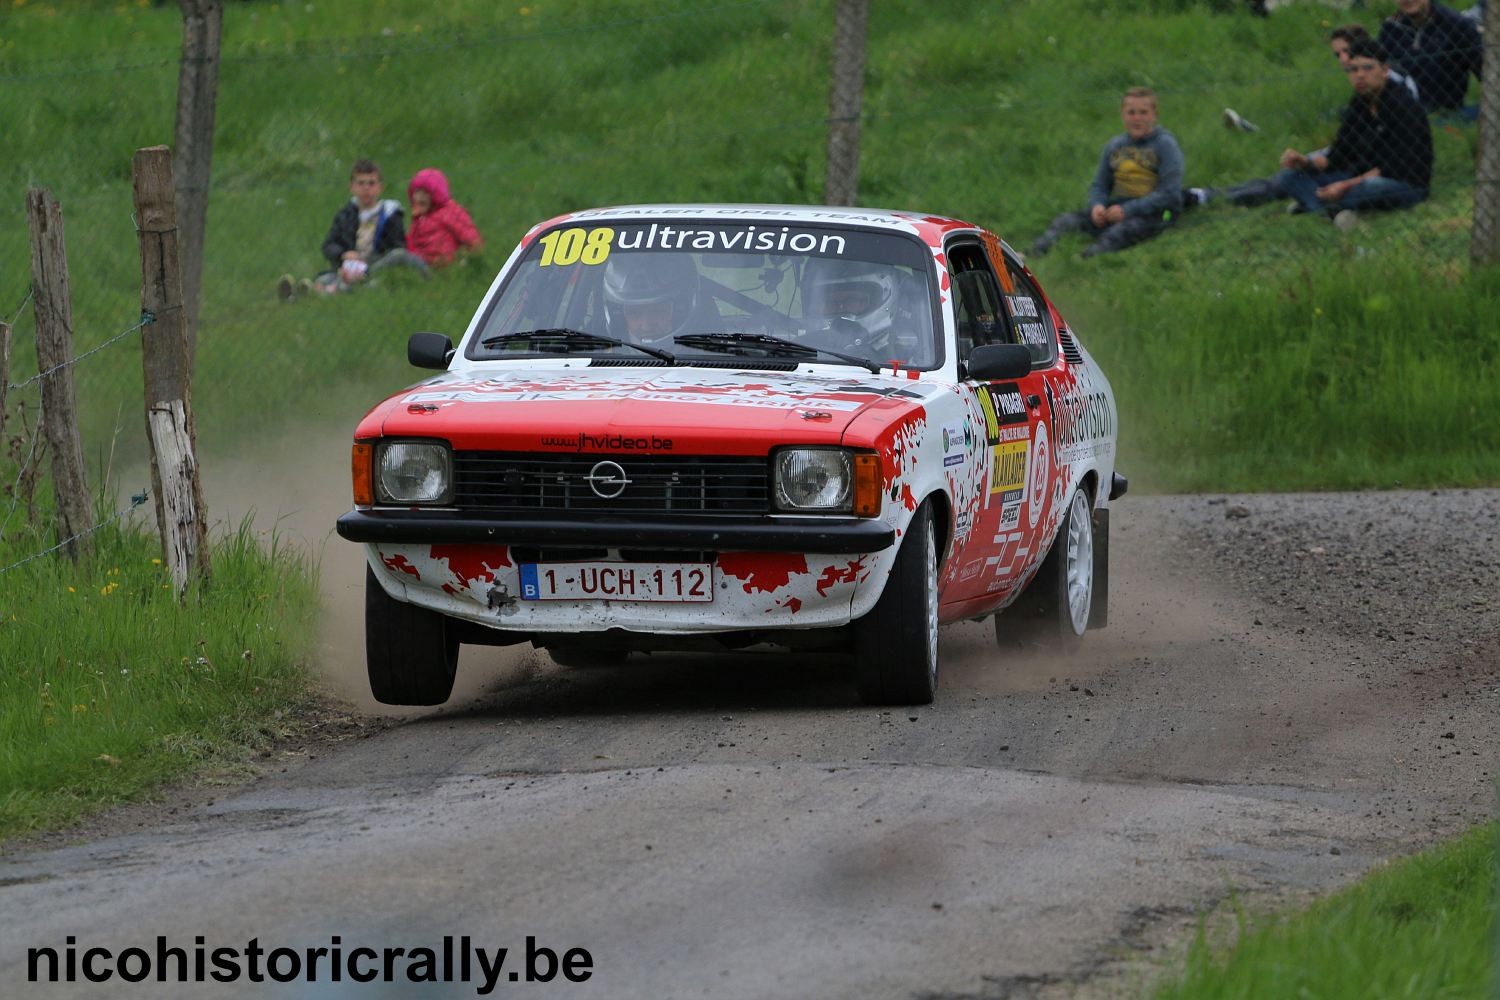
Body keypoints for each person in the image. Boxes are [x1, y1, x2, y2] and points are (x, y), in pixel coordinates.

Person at [1210, 38, 1432, 227]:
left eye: (1367, 68)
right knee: (1289, 177)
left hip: (1402, 183)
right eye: (1353, 70)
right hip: (1357, 175)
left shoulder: (1403, 105)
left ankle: (1320, 205)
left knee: (1367, 188)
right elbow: (1340, 155)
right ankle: (1331, 210)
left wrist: (1344, 185)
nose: (1359, 76)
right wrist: (1304, 162)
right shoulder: (1358, 105)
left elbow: (1395, 166)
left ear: (1384, 71)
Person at [1032, 87, 1184, 258]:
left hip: (1154, 213)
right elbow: (1100, 184)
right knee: (1066, 221)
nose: (1137, 119)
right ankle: (1034, 252)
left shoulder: (1165, 145)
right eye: (1131, 113)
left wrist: (1127, 210)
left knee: (1121, 232)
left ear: (1154, 115)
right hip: (1117, 208)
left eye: (1143, 113)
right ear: (1123, 115)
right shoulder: (1114, 146)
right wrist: (1097, 205)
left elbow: (1169, 193)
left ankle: (1087, 257)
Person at [278, 159, 427, 301]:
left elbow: (397, 247)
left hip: (375, 266)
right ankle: (304, 291)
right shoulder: (346, 215)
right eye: (361, 183)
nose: (366, 188)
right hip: (348, 267)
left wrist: (367, 266)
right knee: (327, 278)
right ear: (352, 187)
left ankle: (320, 291)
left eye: (371, 183)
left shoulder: (390, 214)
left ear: (380, 187)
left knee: (393, 262)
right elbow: (328, 245)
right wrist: (344, 254)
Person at [1378, 0, 1482, 114]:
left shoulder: (1458, 25)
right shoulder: (1391, 27)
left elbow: (1486, 70)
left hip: (1446, 113)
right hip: (1399, 111)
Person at [601, 254, 703, 349]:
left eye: (658, 311)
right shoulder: (598, 352)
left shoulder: (705, 350)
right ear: (618, 314)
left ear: (679, 309)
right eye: (634, 313)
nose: (646, 326)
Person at [405, 168, 484, 267]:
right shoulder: (418, 217)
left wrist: (472, 249)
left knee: (397, 257)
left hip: (443, 261)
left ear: (436, 194)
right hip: (423, 260)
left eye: (425, 192)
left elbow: (468, 233)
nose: (420, 196)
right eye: (417, 191)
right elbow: (413, 240)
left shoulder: (448, 212)